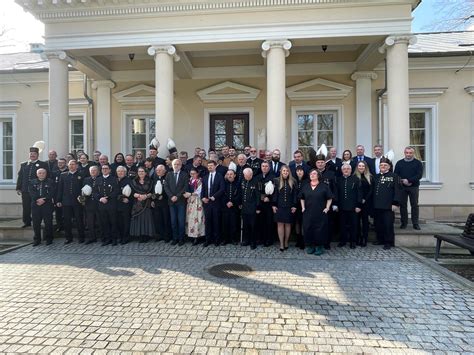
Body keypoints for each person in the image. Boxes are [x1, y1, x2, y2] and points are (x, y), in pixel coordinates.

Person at [299, 169, 333, 255]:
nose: (312, 175)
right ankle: (310, 246)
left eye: (314, 174)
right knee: (308, 228)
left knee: (320, 229)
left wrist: (327, 208)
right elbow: (302, 198)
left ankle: (319, 247)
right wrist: (303, 207)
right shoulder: (306, 186)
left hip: (320, 212)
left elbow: (329, 198)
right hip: (308, 212)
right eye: (311, 174)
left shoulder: (324, 186)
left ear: (318, 176)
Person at [16, 146, 49, 228]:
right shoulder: (24, 164)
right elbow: (20, 176)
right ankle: (27, 222)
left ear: (37, 155)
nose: (32, 155)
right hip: (25, 190)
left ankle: (37, 222)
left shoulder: (43, 164)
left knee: (37, 206)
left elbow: (47, 176)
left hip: (37, 190)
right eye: (31, 154)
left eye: (34, 154)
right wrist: (18, 187)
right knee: (26, 206)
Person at [373, 156, 400, 249]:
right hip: (377, 205)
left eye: (385, 165)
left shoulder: (394, 176)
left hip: (388, 205)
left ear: (389, 167)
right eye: (381, 165)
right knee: (378, 224)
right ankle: (380, 239)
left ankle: (388, 242)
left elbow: (397, 190)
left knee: (388, 224)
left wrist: (395, 203)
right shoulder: (376, 176)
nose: (383, 166)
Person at [56, 160, 86, 244]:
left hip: (78, 201)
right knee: (67, 220)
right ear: (68, 166)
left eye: (73, 164)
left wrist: (82, 199)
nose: (72, 166)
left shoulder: (81, 175)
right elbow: (60, 189)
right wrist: (58, 200)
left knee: (79, 219)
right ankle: (68, 238)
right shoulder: (63, 175)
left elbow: (84, 188)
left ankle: (81, 237)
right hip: (66, 201)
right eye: (70, 164)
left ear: (77, 166)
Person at [394, 146, 424, 230]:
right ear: (404, 153)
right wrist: (403, 181)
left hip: (414, 187)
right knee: (403, 205)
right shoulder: (399, 163)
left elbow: (419, 175)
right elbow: (396, 175)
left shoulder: (418, 163)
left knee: (414, 205)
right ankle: (404, 223)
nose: (408, 154)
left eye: (410, 153)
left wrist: (409, 180)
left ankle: (415, 223)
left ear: (413, 153)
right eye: (407, 153)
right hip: (402, 187)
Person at [333, 164, 361, 249]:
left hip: (353, 207)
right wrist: (335, 204)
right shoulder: (338, 180)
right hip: (341, 207)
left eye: (348, 169)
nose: (346, 170)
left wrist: (358, 205)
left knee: (354, 225)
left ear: (351, 170)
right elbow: (336, 193)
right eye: (344, 169)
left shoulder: (356, 179)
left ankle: (353, 241)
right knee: (342, 225)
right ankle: (343, 241)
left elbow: (359, 193)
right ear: (341, 170)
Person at [315, 152, 337, 250]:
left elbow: (334, 189)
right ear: (316, 164)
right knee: (317, 223)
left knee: (328, 223)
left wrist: (335, 203)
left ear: (325, 163)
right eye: (318, 162)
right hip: (315, 203)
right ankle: (317, 242)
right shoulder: (313, 173)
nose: (320, 164)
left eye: (322, 162)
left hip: (328, 203)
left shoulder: (331, 174)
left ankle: (327, 242)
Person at [164, 159, 189, 246]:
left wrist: (177, 196)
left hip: (181, 201)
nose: (177, 166)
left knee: (181, 221)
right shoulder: (169, 174)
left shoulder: (184, 175)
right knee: (173, 221)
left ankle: (181, 238)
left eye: (178, 164)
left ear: (181, 166)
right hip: (171, 202)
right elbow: (166, 186)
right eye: (175, 164)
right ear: (172, 165)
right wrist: (171, 196)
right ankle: (175, 238)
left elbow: (185, 187)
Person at [272, 165, 297, 251]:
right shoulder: (276, 181)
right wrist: (274, 205)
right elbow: (275, 194)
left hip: (289, 206)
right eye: (284, 171)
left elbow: (295, 195)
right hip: (279, 206)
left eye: (287, 171)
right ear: (281, 172)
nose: (285, 172)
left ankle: (286, 241)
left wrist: (294, 205)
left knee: (288, 225)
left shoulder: (293, 181)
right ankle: (281, 243)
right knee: (280, 224)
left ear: (289, 172)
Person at [29, 168, 55, 246]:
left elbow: (52, 192)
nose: (41, 174)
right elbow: (31, 192)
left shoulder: (50, 182)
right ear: (37, 174)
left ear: (46, 174)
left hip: (47, 205)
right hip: (36, 205)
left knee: (48, 222)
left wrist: (45, 199)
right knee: (36, 223)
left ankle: (49, 239)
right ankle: (37, 240)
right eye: (40, 173)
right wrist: (38, 199)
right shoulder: (32, 182)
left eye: (43, 173)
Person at [201, 160, 225, 247]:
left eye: (211, 166)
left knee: (216, 222)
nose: (210, 167)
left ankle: (216, 240)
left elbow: (222, 189)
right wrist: (203, 198)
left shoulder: (220, 176)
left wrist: (214, 196)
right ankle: (208, 240)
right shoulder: (205, 177)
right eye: (208, 166)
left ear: (215, 166)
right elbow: (203, 189)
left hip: (216, 202)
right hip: (207, 203)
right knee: (208, 222)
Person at [94, 164, 119, 245]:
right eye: (103, 169)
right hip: (101, 204)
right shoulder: (98, 179)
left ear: (109, 170)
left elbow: (116, 191)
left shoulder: (114, 179)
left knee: (113, 222)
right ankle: (107, 239)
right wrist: (100, 198)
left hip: (111, 204)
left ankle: (114, 239)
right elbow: (95, 191)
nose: (104, 170)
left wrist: (107, 198)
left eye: (106, 168)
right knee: (104, 222)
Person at [130, 166, 155, 243]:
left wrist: (146, 196)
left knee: (146, 218)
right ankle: (139, 235)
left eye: (142, 171)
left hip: (147, 202)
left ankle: (146, 235)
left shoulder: (150, 181)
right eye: (139, 171)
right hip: (137, 203)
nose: (141, 173)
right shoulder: (134, 181)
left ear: (145, 172)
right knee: (138, 219)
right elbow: (131, 192)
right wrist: (137, 195)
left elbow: (153, 192)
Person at [240, 168, 260, 249]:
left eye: (247, 176)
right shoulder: (243, 181)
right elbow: (241, 193)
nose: (246, 177)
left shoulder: (256, 182)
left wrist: (258, 207)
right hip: (244, 207)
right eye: (245, 175)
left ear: (251, 175)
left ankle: (253, 242)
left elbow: (258, 196)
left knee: (253, 226)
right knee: (245, 225)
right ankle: (246, 240)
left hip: (253, 207)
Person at [354, 160, 373, 247]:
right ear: (357, 167)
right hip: (356, 203)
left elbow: (371, 190)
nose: (361, 167)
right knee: (356, 222)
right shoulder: (354, 177)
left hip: (366, 203)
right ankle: (358, 237)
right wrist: (359, 200)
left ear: (365, 167)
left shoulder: (370, 177)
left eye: (363, 166)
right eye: (359, 166)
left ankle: (365, 238)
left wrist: (365, 199)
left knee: (365, 222)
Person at [256, 161, 275, 247]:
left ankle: (269, 240)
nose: (264, 168)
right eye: (263, 166)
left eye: (266, 166)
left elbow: (275, 191)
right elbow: (255, 190)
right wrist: (260, 197)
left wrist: (269, 198)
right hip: (260, 203)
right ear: (261, 167)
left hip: (269, 204)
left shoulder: (273, 178)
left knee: (269, 222)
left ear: (269, 167)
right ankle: (261, 239)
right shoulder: (257, 177)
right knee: (260, 222)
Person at [185, 168, 205, 244]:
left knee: (197, 218)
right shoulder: (190, 180)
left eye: (194, 174)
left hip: (197, 201)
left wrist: (190, 194)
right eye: (191, 174)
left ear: (197, 174)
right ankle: (191, 234)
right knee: (190, 218)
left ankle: (197, 235)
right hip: (190, 201)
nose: (192, 175)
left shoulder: (199, 181)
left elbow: (199, 191)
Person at [152, 165, 171, 243]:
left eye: (160, 170)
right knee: (157, 219)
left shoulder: (167, 178)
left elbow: (169, 189)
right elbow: (152, 190)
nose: (158, 172)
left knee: (166, 219)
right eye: (157, 170)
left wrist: (164, 196)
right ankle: (159, 235)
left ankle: (167, 236)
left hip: (165, 202)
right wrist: (152, 199)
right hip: (156, 202)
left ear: (164, 171)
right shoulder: (155, 178)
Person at [221, 169, 241, 245]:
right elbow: (222, 194)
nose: (229, 176)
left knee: (234, 223)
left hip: (234, 207)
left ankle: (234, 239)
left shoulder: (238, 184)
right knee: (224, 224)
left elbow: (239, 195)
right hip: (225, 207)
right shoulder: (223, 183)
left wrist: (232, 202)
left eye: (231, 174)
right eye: (228, 174)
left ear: (234, 175)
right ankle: (225, 239)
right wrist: (227, 202)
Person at [83, 165, 101, 244]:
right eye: (91, 171)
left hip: (99, 203)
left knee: (101, 221)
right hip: (89, 203)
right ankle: (92, 237)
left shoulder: (101, 179)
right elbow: (83, 189)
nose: (93, 172)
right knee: (90, 222)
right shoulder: (86, 180)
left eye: (94, 170)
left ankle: (103, 237)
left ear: (98, 172)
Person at [116, 166, 132, 245]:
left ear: (125, 172)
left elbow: (130, 192)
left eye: (122, 171)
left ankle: (126, 237)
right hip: (116, 205)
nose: (120, 173)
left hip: (125, 205)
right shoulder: (115, 180)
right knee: (118, 222)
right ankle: (120, 236)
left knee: (125, 222)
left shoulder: (129, 181)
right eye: (118, 171)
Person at [52, 158, 68, 232]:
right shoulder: (54, 173)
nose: (60, 164)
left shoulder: (67, 173)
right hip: (56, 195)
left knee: (66, 212)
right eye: (59, 163)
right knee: (58, 212)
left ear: (65, 163)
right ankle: (59, 226)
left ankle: (66, 226)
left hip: (65, 195)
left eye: (62, 163)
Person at [294, 166, 307, 249]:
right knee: (297, 223)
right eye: (298, 171)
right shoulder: (294, 181)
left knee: (303, 223)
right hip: (295, 205)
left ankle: (303, 240)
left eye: (301, 171)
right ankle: (298, 239)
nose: (299, 172)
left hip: (304, 205)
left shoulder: (307, 181)